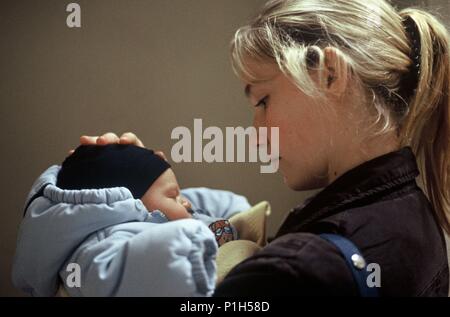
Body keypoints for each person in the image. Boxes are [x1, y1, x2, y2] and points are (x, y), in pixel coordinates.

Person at [14, 0, 450, 296]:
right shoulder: (412, 214)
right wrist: (129, 199)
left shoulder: (293, 273)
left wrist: (76, 218)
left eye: (262, 100)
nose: (256, 131)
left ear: (329, 75)